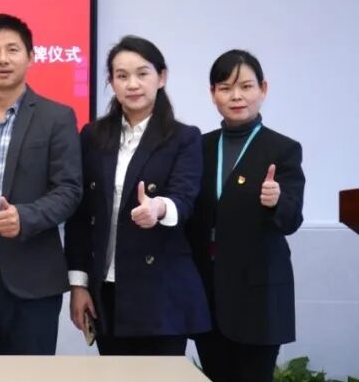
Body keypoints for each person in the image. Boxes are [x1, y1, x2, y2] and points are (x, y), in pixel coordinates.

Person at [66, 35, 210, 355]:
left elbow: (185, 198)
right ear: (111, 82)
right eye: (122, 76)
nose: (132, 84)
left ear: (161, 77)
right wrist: (78, 284)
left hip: (161, 290)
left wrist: (159, 208)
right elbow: (80, 215)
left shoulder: (183, 138)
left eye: (142, 73)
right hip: (107, 289)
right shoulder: (92, 136)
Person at [0, 14, 82, 355]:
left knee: (28, 375)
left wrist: (27, 216)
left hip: (32, 282)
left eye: (12, 49)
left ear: (30, 56)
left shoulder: (56, 117)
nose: (2, 59)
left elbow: (69, 190)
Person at [188, 50, 305, 382]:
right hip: (208, 292)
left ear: (263, 89)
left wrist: (277, 200)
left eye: (246, 86)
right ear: (213, 94)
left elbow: (292, 219)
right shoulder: (198, 147)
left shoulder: (283, 149)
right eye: (225, 88)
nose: (236, 96)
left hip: (259, 296)